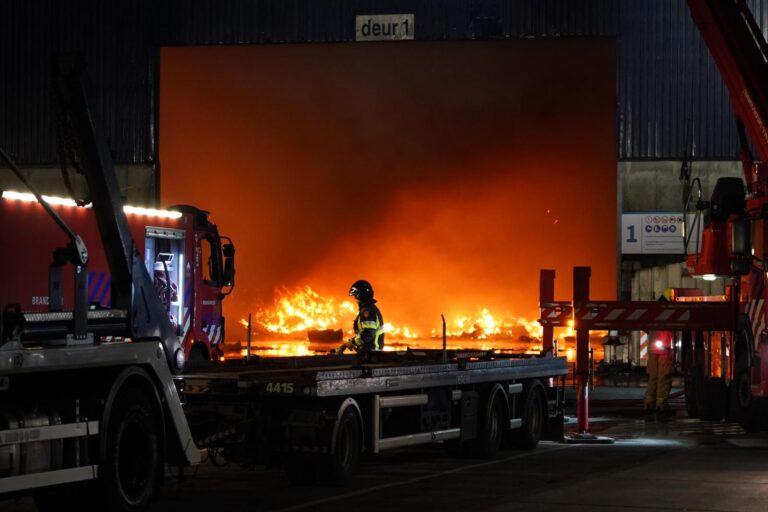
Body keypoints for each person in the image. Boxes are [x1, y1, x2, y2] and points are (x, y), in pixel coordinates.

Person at [644, 288, 675, 415]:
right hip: (665, 350)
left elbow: (646, 328)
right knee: (664, 377)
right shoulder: (670, 312)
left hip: (653, 349)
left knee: (653, 377)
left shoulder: (654, 312)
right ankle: (661, 404)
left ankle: (649, 403)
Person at [335, 279, 385, 355]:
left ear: (361, 295)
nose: (355, 299)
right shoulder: (371, 309)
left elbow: (368, 334)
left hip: (371, 353)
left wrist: (352, 343)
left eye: (355, 296)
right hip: (371, 352)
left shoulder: (367, 311)